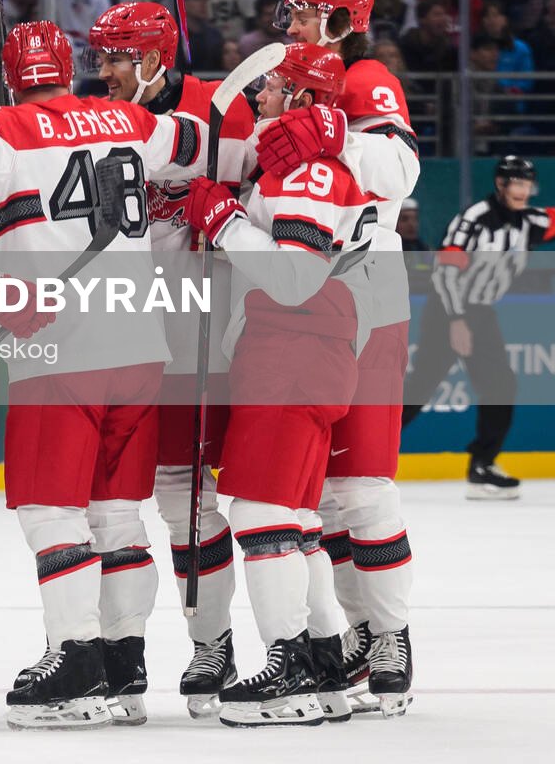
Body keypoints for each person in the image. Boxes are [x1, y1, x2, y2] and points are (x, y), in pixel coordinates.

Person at [0, 21, 209, 730]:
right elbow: (200, 143)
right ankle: (125, 666)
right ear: (71, 69)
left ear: (11, 77)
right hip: (141, 341)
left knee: (50, 508)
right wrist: (179, 92)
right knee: (117, 514)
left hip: (60, 347)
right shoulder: (129, 116)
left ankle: (76, 662)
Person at [181, 43, 377, 726]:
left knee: (260, 515)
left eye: (267, 89)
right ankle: (327, 664)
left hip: (296, 349)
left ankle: (288, 667)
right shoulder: (295, 165)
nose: (256, 98)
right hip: (296, 350)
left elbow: (295, 277)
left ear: (299, 97)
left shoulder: (314, 172)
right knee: (295, 522)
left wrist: (225, 221)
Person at [86, 2, 252, 717]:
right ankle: (116, 653)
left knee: (188, 498)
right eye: (101, 57)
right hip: (116, 336)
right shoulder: (93, 116)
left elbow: (262, 197)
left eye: (117, 57)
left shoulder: (223, 112)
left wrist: (227, 208)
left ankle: (212, 642)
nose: (105, 71)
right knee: (111, 504)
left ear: (154, 57)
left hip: (192, 336)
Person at [275, 0, 421, 716]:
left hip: (368, 297)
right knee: (325, 499)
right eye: (291, 12)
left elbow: (400, 169)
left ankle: (391, 632)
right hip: (303, 303)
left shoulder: (365, 76)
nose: (292, 24)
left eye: (305, 14)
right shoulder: (291, 81)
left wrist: (336, 133)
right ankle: (362, 629)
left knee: (362, 484)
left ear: (342, 18)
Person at [402, 157, 555, 498]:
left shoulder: (530, 221)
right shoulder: (474, 218)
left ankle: (482, 465)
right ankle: (360, 457)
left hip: (481, 312)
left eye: (528, 185)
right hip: (448, 310)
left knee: (500, 386)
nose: (524, 191)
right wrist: (457, 321)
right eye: (517, 184)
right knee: (420, 388)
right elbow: (446, 271)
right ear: (501, 185)